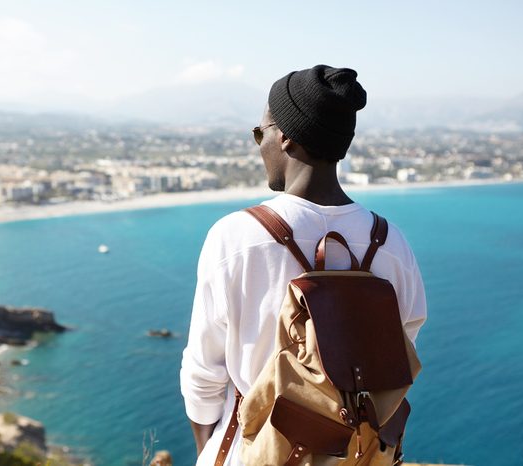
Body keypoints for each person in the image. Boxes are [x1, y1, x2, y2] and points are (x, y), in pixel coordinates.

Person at [180, 64, 427, 466]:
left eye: (260, 133)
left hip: (258, 451)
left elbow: (204, 376)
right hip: (355, 456)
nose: (259, 145)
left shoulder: (236, 237)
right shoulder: (392, 243)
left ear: (285, 138)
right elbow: (403, 357)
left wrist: (209, 452)